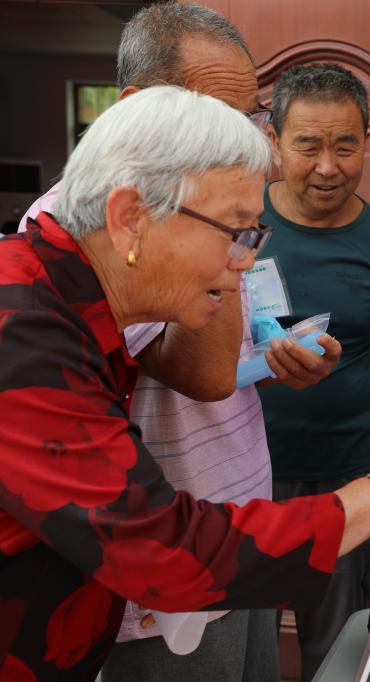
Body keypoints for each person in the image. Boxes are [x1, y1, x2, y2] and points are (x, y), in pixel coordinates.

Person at [0, 85, 370, 682]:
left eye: (254, 235)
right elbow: (166, 550)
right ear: (129, 219)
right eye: (234, 231)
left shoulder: (67, 307)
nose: (246, 261)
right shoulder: (22, 335)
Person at [15, 6, 339, 681]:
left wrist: (278, 352)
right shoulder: (82, 238)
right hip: (170, 553)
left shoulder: (202, 209)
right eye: (218, 114)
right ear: (139, 109)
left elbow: (225, 350)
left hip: (235, 515)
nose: (243, 137)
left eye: (250, 116)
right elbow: (203, 374)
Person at [259, 63, 370, 680]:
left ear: (367, 143)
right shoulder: (240, 226)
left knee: (335, 649)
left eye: (345, 146)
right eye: (308, 146)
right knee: (240, 640)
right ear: (275, 142)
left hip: (347, 475)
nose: (327, 167)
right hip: (242, 474)